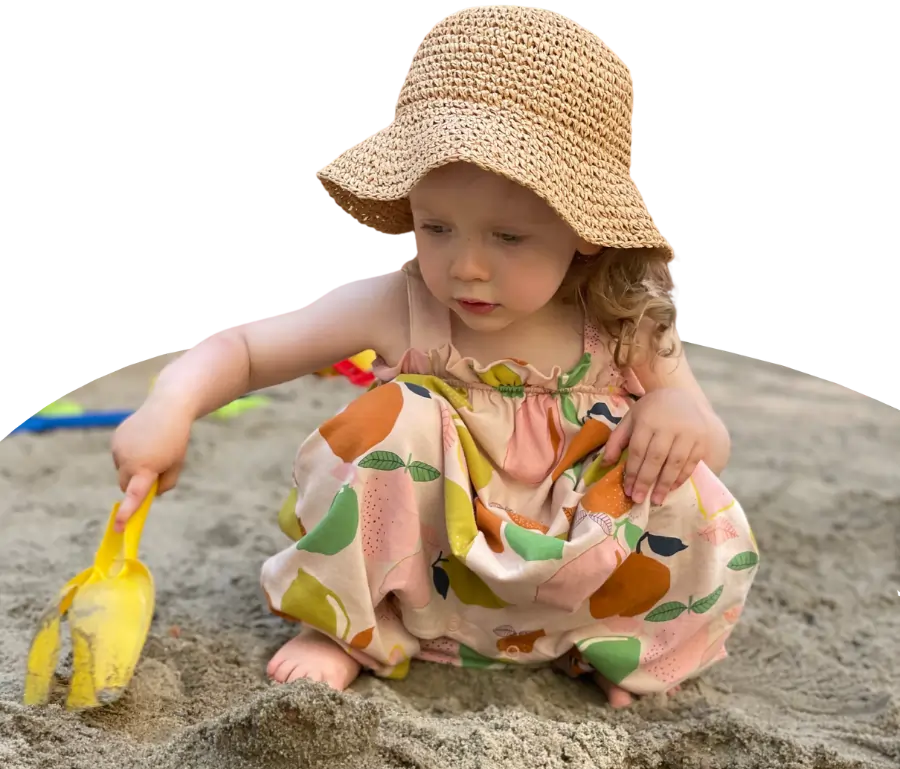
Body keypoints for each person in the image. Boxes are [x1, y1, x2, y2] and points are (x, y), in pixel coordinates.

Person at [111, 6, 760, 709]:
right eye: (436, 227)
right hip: (436, 575)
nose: (465, 268)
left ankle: (616, 642)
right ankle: (349, 631)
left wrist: (675, 411)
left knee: (692, 494)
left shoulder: (625, 319)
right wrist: (169, 403)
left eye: (509, 237)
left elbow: (711, 448)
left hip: (580, 572)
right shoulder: (403, 301)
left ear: (587, 233)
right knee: (393, 417)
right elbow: (242, 348)